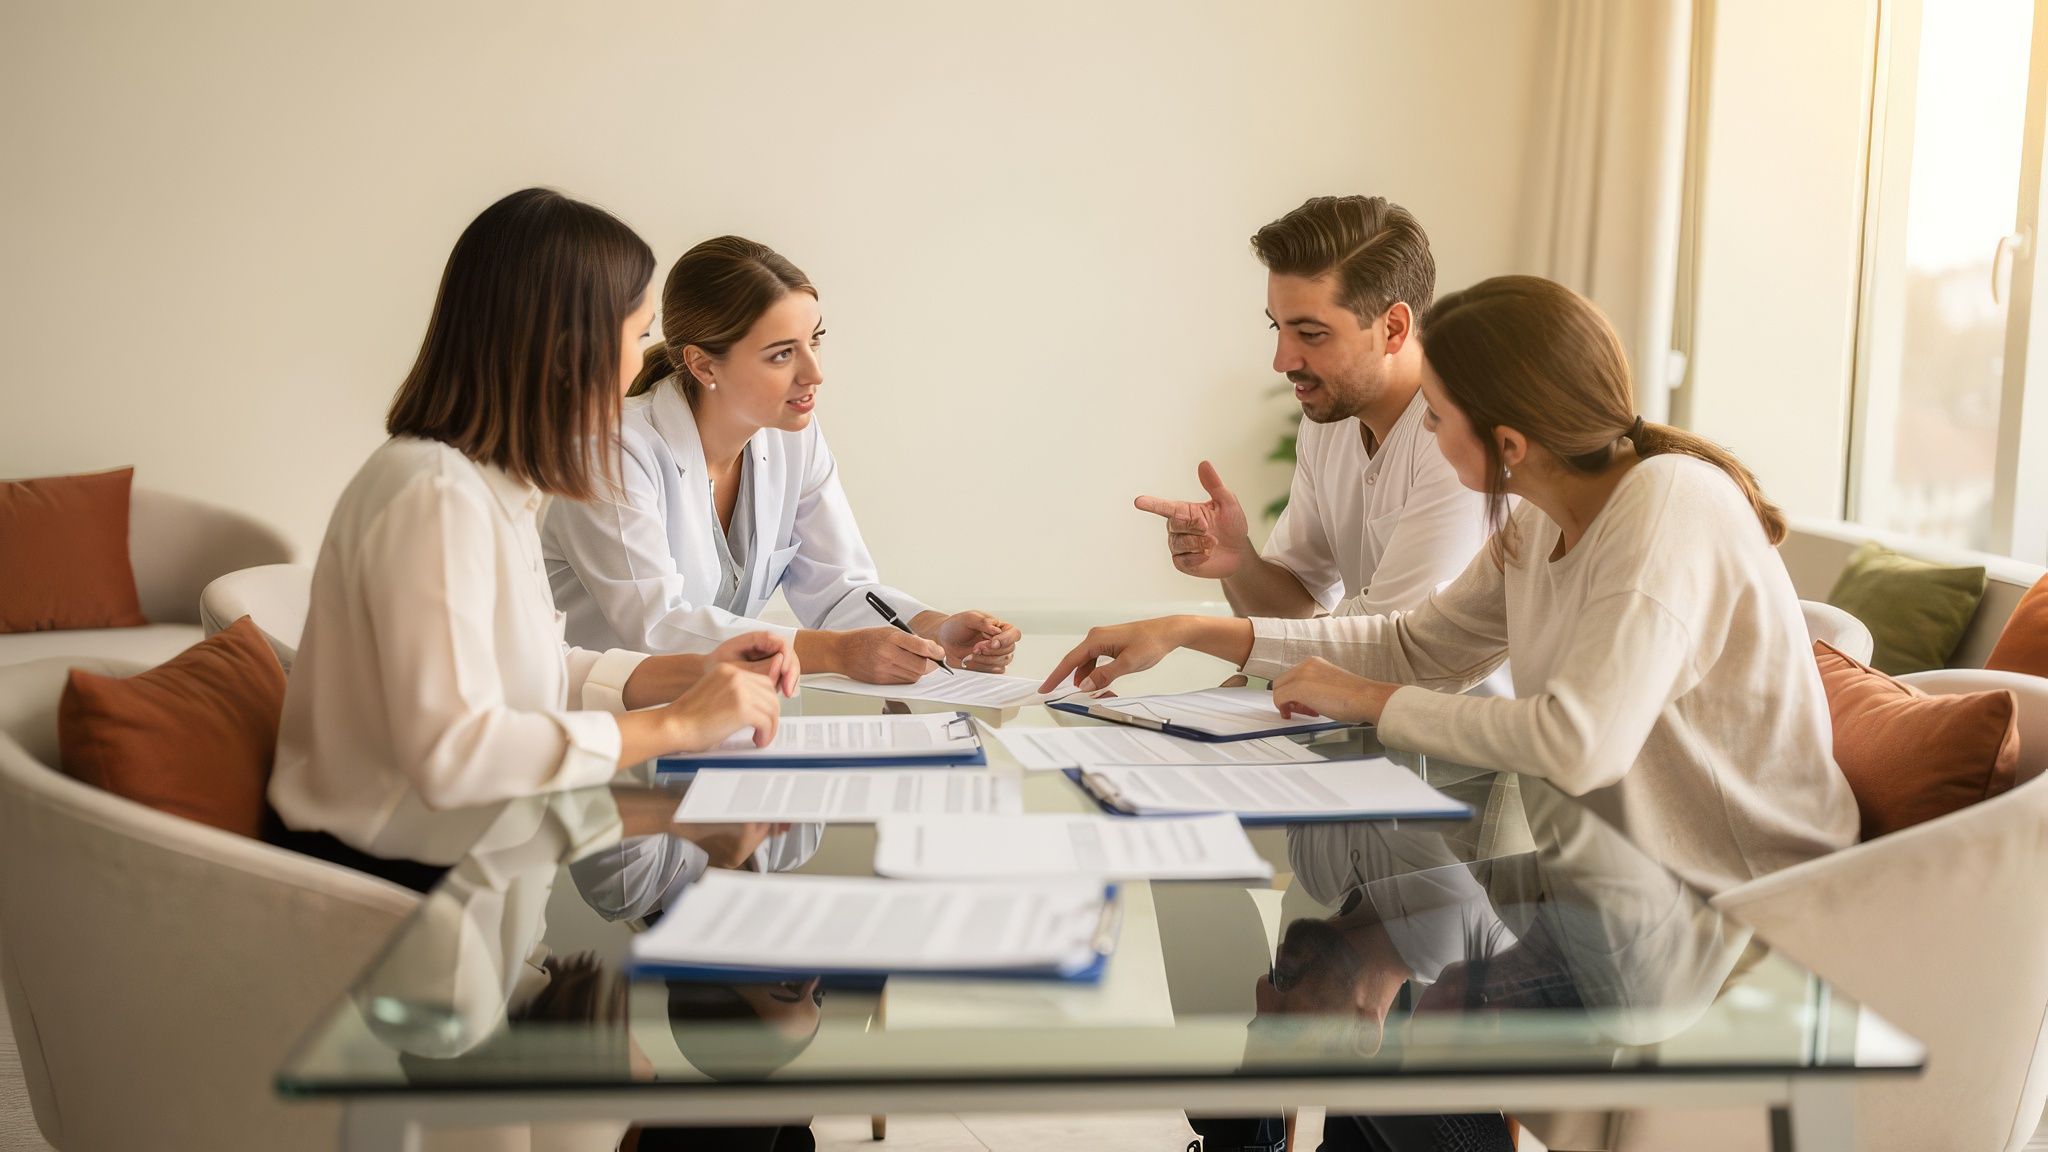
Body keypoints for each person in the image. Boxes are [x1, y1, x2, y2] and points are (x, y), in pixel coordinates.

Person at [1043, 276, 1857, 896]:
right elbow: (1413, 645)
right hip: (1633, 885)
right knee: (1371, 933)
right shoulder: (1542, 516)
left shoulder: (1667, 507)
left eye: (1434, 418)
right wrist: (1189, 629)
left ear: (1506, 441)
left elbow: (1579, 745)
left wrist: (1365, 700)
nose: (1425, 435)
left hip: (1745, 908)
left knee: (1401, 951)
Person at [270, 189, 801, 891]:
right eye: (638, 335)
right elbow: (458, 753)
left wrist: (690, 673)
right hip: (395, 899)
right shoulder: (433, 497)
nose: (641, 367)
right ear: (565, 354)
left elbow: (537, 672)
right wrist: (674, 728)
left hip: (475, 867)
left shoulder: (489, 486)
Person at [543, 235, 1021, 685]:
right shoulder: (610, 450)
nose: (815, 372)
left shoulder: (793, 438)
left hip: (713, 723)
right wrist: (835, 653)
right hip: (595, 732)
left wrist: (931, 629)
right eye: (781, 355)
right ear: (704, 364)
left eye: (814, 340)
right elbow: (658, 628)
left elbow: (838, 590)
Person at [1135, 197, 1501, 694]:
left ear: (1393, 328)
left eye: (1311, 333)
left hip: (1464, 757)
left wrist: (1189, 631)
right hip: (1364, 737)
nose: (1283, 360)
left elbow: (1391, 651)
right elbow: (1296, 606)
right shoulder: (1330, 417)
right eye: (1278, 326)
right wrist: (1240, 562)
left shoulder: (1461, 439)